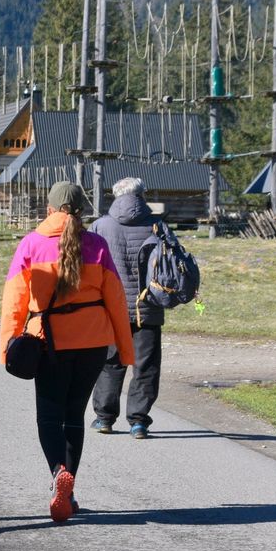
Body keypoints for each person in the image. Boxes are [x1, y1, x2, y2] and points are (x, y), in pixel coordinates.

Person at [0, 181, 133, 522]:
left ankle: (59, 472)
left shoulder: (31, 244)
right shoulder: (97, 245)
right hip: (92, 342)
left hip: (49, 342)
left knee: (49, 416)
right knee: (74, 416)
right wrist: (125, 349)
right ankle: (69, 494)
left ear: (48, 210)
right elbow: (117, 301)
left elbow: (14, 303)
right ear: (82, 211)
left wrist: (7, 347)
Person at [90, 177, 165, 439]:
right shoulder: (157, 225)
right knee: (146, 366)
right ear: (141, 195)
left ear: (115, 196)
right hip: (149, 307)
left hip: (112, 308)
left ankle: (104, 418)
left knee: (110, 363)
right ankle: (139, 421)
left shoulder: (100, 226)